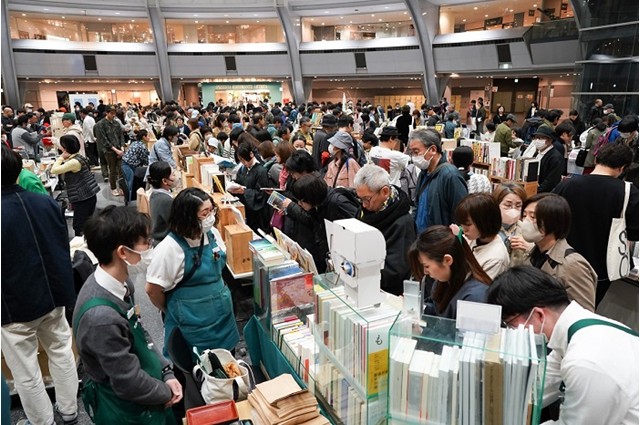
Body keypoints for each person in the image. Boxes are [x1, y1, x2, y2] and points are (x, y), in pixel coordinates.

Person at [487, 266, 639, 425]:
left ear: (538, 314)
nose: (512, 331)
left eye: (511, 325)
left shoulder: (584, 360)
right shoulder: (575, 332)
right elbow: (539, 385)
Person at [75, 206, 181, 424]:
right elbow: (128, 383)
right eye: (146, 242)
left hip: (145, 383)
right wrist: (165, 392)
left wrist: (166, 372)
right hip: (126, 409)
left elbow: (141, 332)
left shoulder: (121, 283)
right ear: (123, 252)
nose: (151, 247)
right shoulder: (100, 318)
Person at [2, 144, 79, 425]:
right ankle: (70, 411)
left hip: (13, 305)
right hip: (53, 293)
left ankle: (43, 421)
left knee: (26, 370)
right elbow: (60, 246)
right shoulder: (45, 202)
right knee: (61, 352)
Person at [146, 188, 240, 356]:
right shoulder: (170, 248)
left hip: (222, 315)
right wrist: (173, 309)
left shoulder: (212, 234)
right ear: (188, 217)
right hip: (192, 322)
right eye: (205, 213)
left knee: (227, 360)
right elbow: (153, 290)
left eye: (212, 210)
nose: (210, 217)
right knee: (198, 363)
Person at [553, 143, 639, 306]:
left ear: (596, 159)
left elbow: (550, 217)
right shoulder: (629, 193)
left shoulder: (567, 184)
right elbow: (634, 234)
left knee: (555, 307)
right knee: (585, 310)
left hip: (562, 260)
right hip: (601, 268)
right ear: (622, 168)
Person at [521, 193, 598, 311]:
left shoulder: (572, 265)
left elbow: (584, 313)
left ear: (553, 222)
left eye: (533, 217)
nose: (526, 221)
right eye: (524, 215)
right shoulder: (532, 254)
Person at [354, 165, 416, 295]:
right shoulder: (365, 211)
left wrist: (360, 270)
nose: (363, 204)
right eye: (360, 199)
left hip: (387, 293)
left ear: (385, 192)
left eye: (367, 199)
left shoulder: (402, 223)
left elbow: (396, 271)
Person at [408, 225, 492, 319]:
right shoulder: (443, 280)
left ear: (447, 260)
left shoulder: (475, 298)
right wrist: (414, 305)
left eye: (427, 266)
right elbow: (436, 310)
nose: (425, 272)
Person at [408, 129, 468, 233]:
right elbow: (417, 205)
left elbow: (461, 215)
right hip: (422, 238)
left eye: (416, 152)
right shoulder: (423, 173)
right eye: (412, 152)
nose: (414, 157)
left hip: (440, 239)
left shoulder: (450, 176)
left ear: (433, 149)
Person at [50, 134, 100, 237]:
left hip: (82, 197)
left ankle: (81, 244)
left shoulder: (73, 162)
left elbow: (54, 170)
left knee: (79, 225)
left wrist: (61, 157)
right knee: (87, 223)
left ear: (66, 148)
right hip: (89, 193)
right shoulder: (78, 156)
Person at [453, 193, 510, 279]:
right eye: (462, 224)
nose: (464, 229)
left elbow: (478, 286)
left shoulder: (496, 259)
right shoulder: (474, 237)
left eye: (468, 224)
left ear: (485, 222)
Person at [228, 142, 271, 233]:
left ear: (251, 154)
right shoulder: (243, 169)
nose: (243, 163)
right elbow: (239, 182)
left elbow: (261, 194)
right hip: (246, 209)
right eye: (241, 160)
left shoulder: (261, 171)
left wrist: (244, 191)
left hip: (258, 215)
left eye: (244, 160)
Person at [492, 183, 532, 266]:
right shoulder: (486, 227)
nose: (513, 210)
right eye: (508, 205)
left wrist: (530, 249)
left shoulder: (527, 229)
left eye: (518, 206)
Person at [93, 105, 126, 196]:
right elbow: (103, 140)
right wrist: (116, 150)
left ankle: (122, 187)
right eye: (111, 113)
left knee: (121, 170)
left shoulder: (116, 123)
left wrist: (122, 148)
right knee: (112, 170)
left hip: (119, 149)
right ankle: (113, 188)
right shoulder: (100, 124)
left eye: (114, 113)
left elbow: (121, 136)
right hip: (109, 151)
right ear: (107, 113)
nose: (113, 115)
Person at [148, 161, 176, 245]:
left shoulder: (155, 194)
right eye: (173, 174)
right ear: (164, 181)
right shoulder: (165, 200)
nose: (175, 177)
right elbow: (177, 225)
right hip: (164, 241)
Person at [533, 126, 565, 193]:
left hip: (545, 193)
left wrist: (538, 191)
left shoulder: (556, 157)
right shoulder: (537, 153)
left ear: (550, 140)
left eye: (541, 138)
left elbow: (551, 181)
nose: (537, 140)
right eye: (536, 137)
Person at [121, 129, 150, 202]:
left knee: (132, 182)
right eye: (148, 136)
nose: (149, 138)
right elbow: (145, 160)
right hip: (127, 165)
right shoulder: (142, 146)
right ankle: (130, 202)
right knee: (130, 184)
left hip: (128, 163)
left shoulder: (135, 142)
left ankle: (131, 199)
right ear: (144, 137)